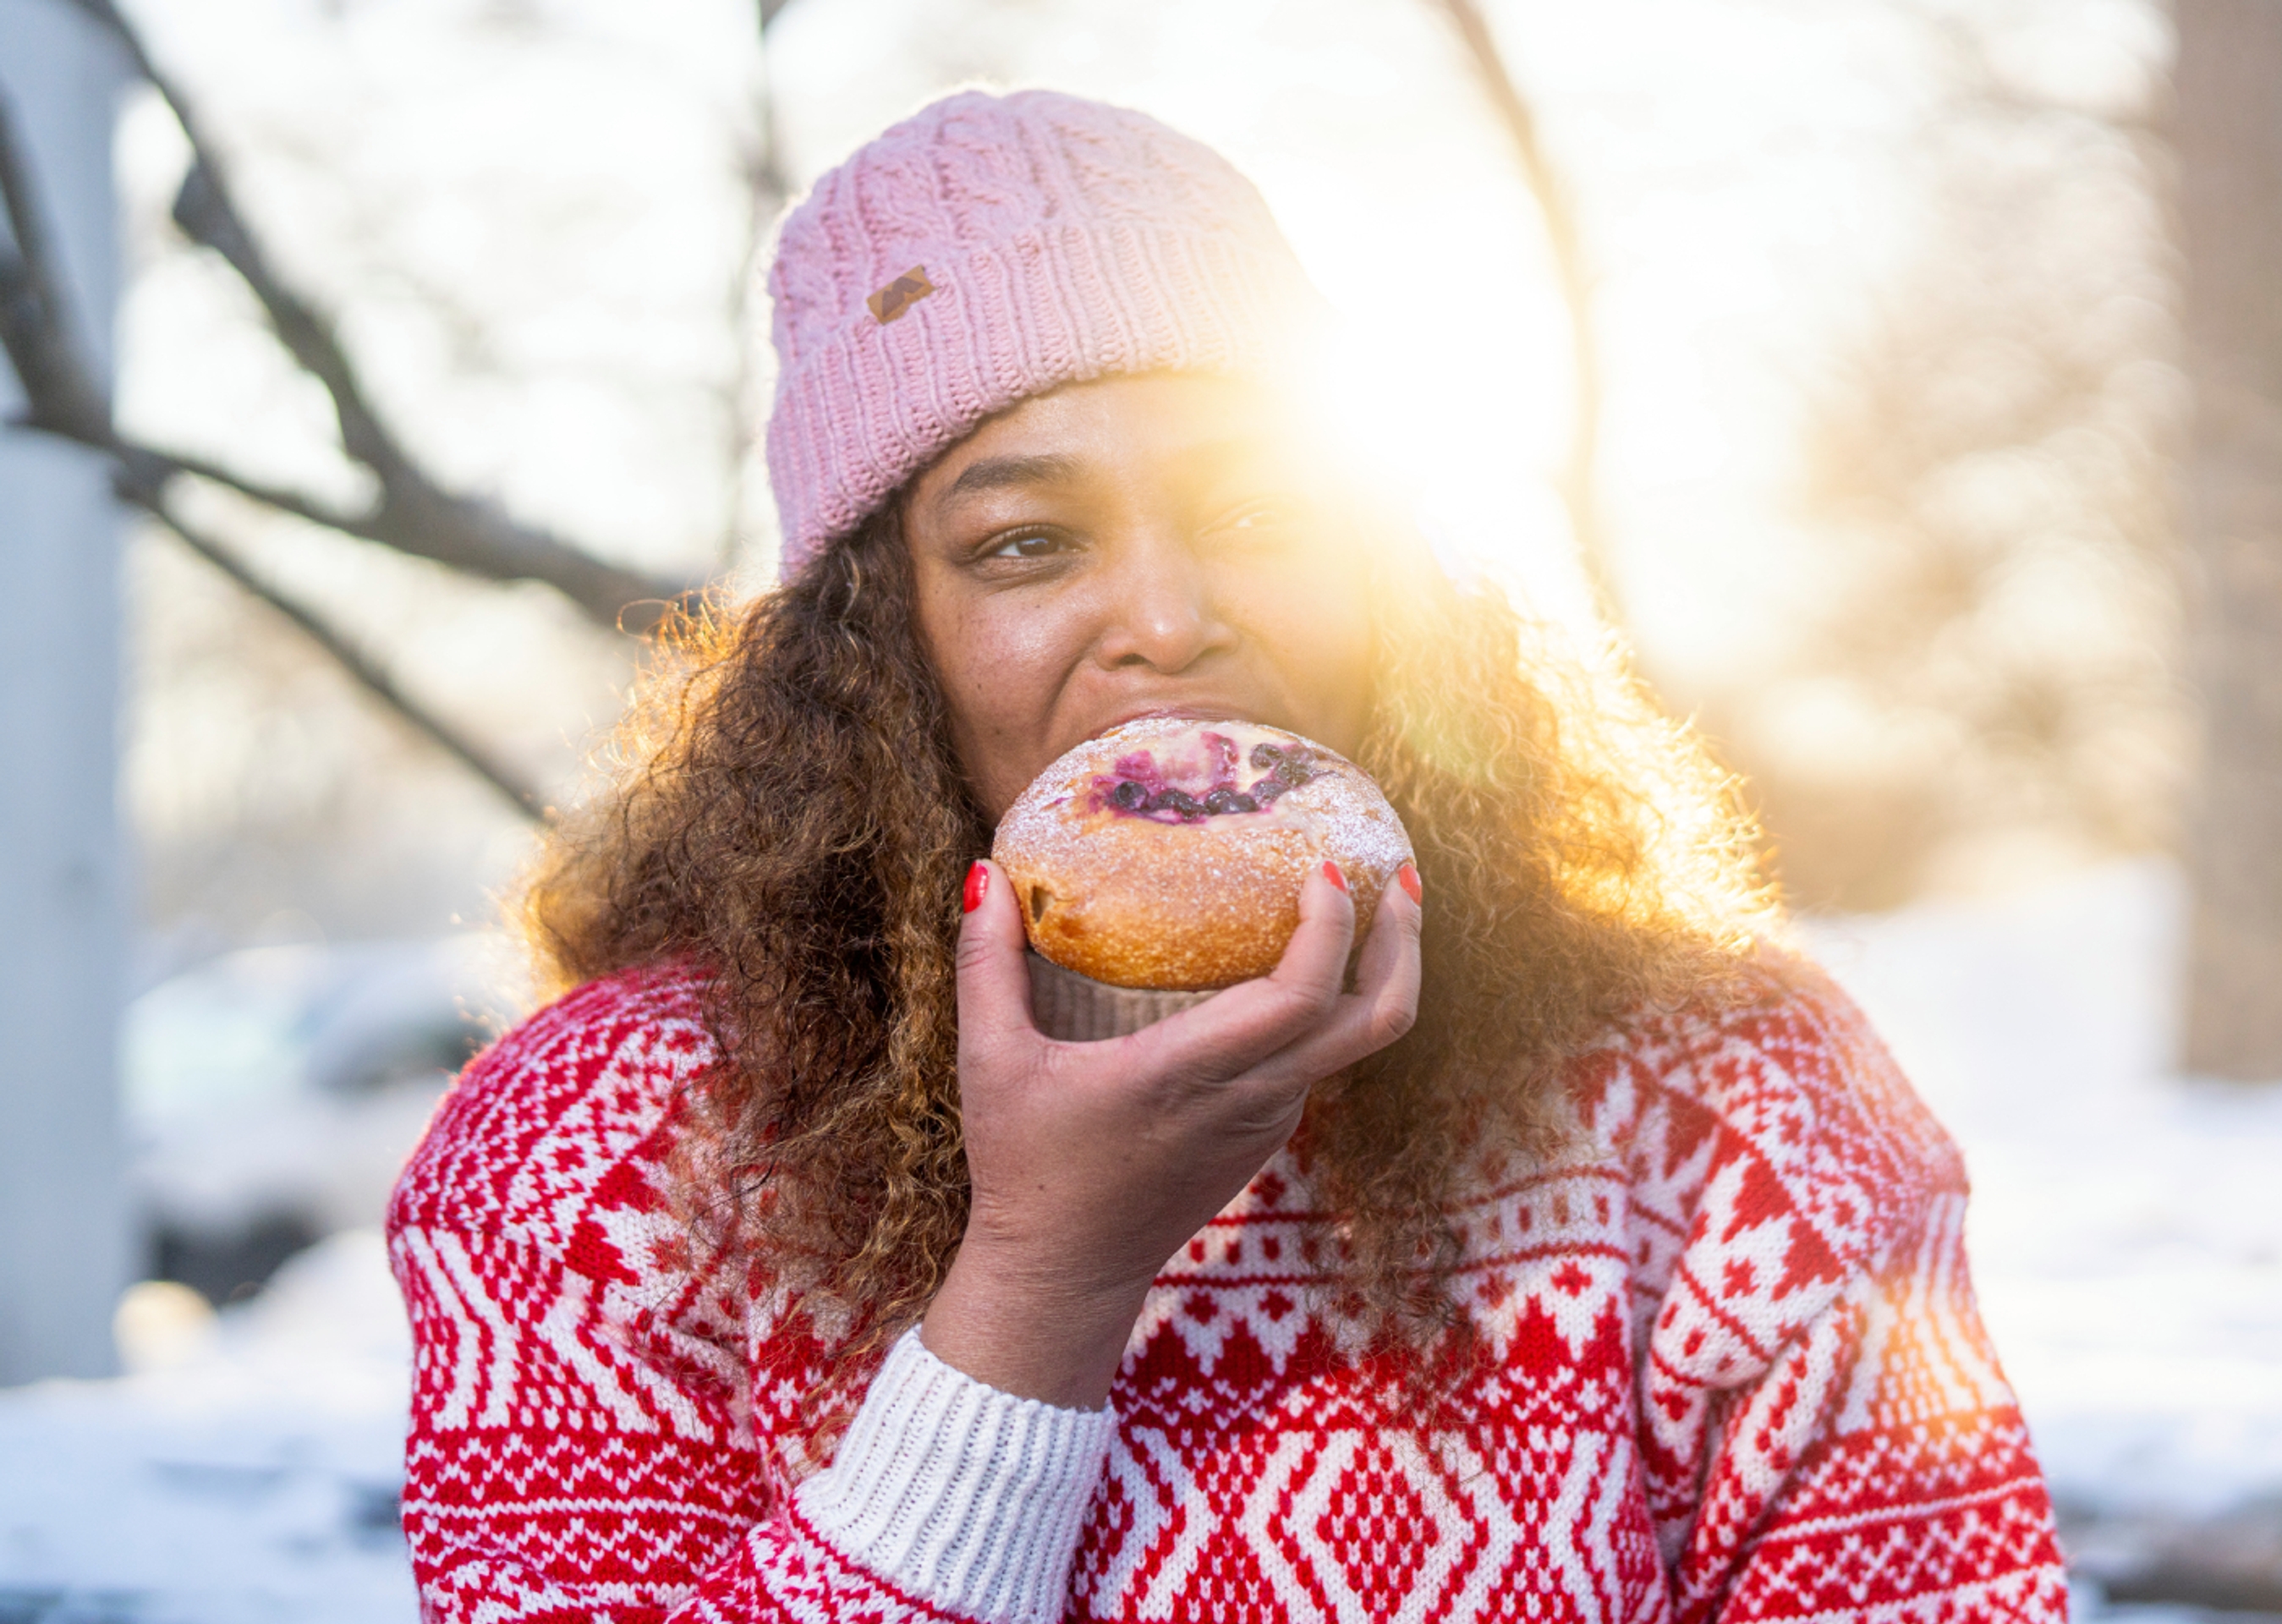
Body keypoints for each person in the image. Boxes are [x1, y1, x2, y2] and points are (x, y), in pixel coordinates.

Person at [387, 88, 2067, 1624]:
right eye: (1028, 543)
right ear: (874, 645)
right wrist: (1045, 1284)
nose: (1171, 623)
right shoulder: (597, 1154)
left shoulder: (1737, 1097)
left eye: (1261, 515)